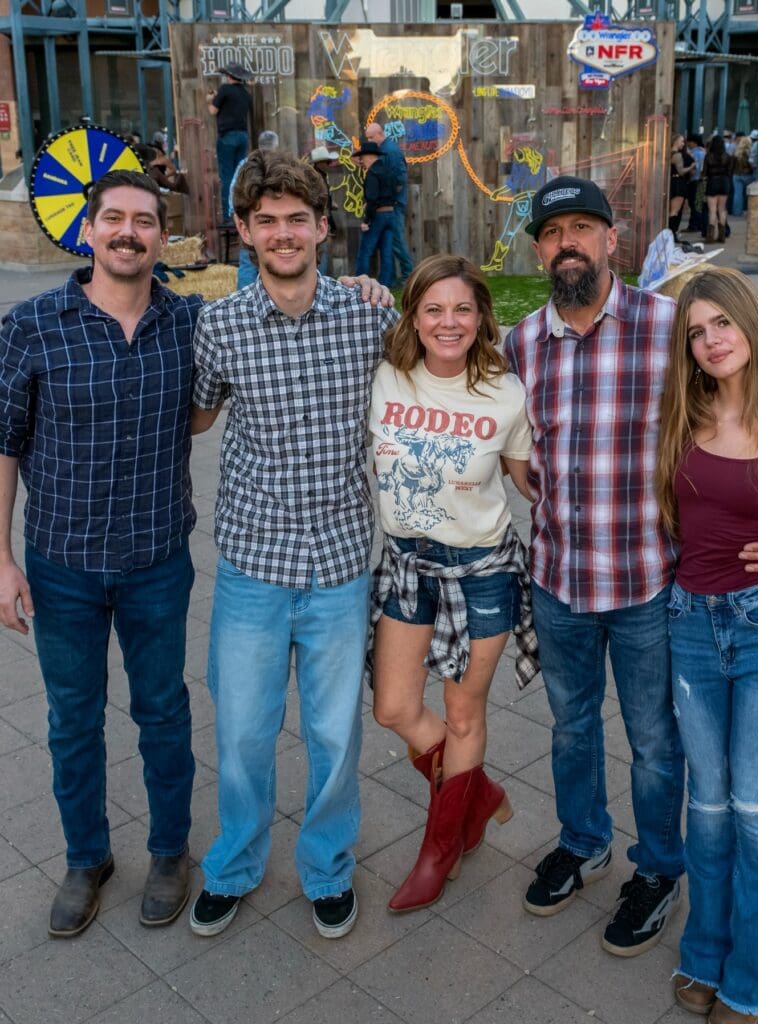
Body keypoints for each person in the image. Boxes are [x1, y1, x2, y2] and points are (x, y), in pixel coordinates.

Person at [503, 175, 758, 958]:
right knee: (570, 729)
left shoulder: (671, 329)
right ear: (538, 249)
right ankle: (583, 840)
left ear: (612, 240)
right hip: (559, 578)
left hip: (648, 584)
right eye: (552, 232)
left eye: (582, 228)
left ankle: (658, 868)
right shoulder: (520, 341)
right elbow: (505, 433)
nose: (566, 242)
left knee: (653, 741)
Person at [188, 150, 398, 941]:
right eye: (265, 221)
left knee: (335, 733)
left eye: (296, 220)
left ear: (320, 228)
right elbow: (198, 417)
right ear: (244, 232)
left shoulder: (369, 316)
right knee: (242, 730)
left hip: (341, 562)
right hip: (253, 564)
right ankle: (235, 864)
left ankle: (327, 868)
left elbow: (437, 381)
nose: (282, 234)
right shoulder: (221, 325)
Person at [0, 170, 201, 937]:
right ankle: (87, 858)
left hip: (156, 558)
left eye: (143, 221)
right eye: (112, 218)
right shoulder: (33, 325)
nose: (127, 231)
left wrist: (365, 287)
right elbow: (4, 443)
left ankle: (168, 851)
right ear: (87, 232)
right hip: (62, 563)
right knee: (72, 719)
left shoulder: (187, 323)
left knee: (163, 712)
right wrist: (1, 559)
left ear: (160, 236)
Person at [656, 267, 758, 1024]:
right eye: (695, 331)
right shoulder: (679, 420)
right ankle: (705, 950)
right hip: (690, 625)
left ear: (751, 323)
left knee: (755, 805)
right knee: (710, 804)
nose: (710, 341)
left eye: (721, 323)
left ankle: (755, 974)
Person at [369, 254, 535, 913]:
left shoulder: (505, 391)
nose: (448, 321)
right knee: (394, 708)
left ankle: (439, 850)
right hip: (408, 563)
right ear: (412, 315)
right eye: (433, 308)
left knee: (464, 714)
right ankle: (477, 794)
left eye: (462, 309)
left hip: (483, 571)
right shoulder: (384, 375)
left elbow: (529, 480)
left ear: (480, 317)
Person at [229, 130, 280, 288]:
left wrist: (237, 217)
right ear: (276, 145)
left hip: (249, 219)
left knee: (248, 261)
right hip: (273, 220)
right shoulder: (278, 165)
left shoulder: (244, 164)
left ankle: (244, 306)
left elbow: (232, 192)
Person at [365, 120, 414, 282]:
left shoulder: (390, 151)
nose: (369, 141)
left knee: (397, 242)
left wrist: (390, 201)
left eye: (371, 137)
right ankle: (391, 279)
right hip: (389, 205)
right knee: (388, 242)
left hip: (393, 206)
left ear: (380, 134)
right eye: (368, 138)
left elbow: (400, 179)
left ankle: (409, 275)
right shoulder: (384, 150)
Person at [207, 62, 253, 220]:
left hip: (228, 136)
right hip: (243, 135)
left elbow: (213, 110)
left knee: (226, 176)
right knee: (239, 175)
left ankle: (228, 215)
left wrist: (211, 99)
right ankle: (241, 212)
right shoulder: (246, 94)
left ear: (228, 76)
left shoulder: (225, 89)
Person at [352, 140, 397, 287]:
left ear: (369, 157)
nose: (361, 161)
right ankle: (386, 285)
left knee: (365, 251)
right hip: (391, 214)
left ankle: (359, 285)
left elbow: (372, 199)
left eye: (362, 158)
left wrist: (366, 220)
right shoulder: (388, 170)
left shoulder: (372, 173)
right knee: (387, 252)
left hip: (378, 215)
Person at [310, 145, 339, 276]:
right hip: (319, 220)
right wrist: (332, 224)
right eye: (327, 162)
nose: (329, 164)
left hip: (316, 220)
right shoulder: (318, 179)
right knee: (322, 253)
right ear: (320, 163)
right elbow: (323, 205)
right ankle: (319, 281)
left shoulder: (316, 176)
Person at [703, 134, 733, 243]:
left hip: (712, 182)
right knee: (722, 209)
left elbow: (704, 173)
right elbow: (730, 173)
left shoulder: (708, 156)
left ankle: (710, 237)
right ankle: (722, 236)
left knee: (712, 210)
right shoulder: (728, 157)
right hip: (724, 182)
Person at [669, 133, 694, 240]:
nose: (683, 144)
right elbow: (681, 172)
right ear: (675, 141)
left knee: (672, 210)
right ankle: (672, 234)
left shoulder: (668, 153)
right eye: (682, 141)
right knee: (675, 211)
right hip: (679, 183)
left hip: (671, 182)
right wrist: (691, 166)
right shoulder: (677, 155)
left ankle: (671, 233)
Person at [730, 134, 754, 217]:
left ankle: (737, 212)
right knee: (749, 194)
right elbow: (751, 165)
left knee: (737, 194)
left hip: (736, 175)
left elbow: (731, 165)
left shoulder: (736, 152)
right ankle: (749, 211)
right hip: (748, 175)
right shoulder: (750, 152)